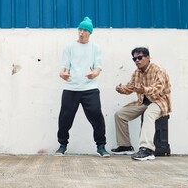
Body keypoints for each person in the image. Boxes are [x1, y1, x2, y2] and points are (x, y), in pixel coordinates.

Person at [55, 17, 110, 157]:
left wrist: (94, 74)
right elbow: (63, 68)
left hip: (90, 88)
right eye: (80, 29)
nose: (81, 32)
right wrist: (63, 74)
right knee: (65, 118)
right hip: (71, 88)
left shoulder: (95, 47)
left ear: (90, 33)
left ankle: (101, 146)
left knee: (97, 117)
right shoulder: (69, 47)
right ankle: (62, 145)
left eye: (85, 30)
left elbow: (98, 67)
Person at [111, 47, 171, 161]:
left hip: (159, 102)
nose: (137, 61)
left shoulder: (158, 70)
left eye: (140, 57)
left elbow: (158, 88)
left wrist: (144, 90)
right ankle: (125, 146)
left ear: (148, 58)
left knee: (149, 114)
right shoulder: (136, 73)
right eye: (134, 59)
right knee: (120, 114)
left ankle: (147, 149)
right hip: (143, 102)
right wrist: (121, 89)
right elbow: (130, 88)